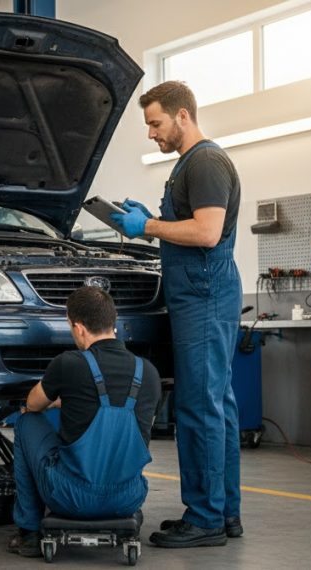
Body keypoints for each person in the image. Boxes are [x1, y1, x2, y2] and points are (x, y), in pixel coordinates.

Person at [109, 80, 243, 548]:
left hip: (204, 296)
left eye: (155, 123)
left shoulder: (204, 161)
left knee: (199, 405)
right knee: (217, 404)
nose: (151, 133)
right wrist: (152, 223)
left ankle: (205, 518)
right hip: (204, 293)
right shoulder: (191, 164)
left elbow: (206, 232)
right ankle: (224, 513)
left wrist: (144, 225)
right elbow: (191, 226)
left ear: (182, 116)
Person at [7, 286, 160, 557]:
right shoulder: (147, 372)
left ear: (78, 328)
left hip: (71, 497)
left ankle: (29, 532)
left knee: (26, 422)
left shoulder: (69, 363)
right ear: (113, 323)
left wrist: (58, 400)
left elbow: (32, 404)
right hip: (127, 498)